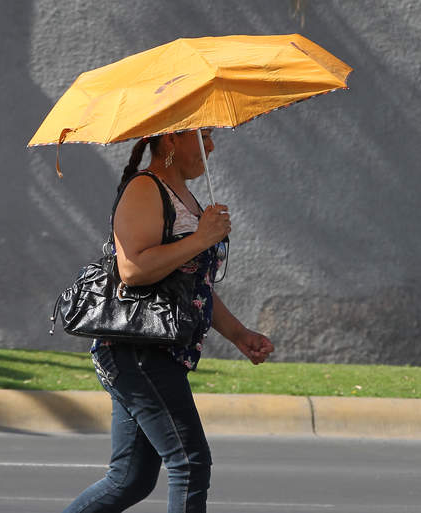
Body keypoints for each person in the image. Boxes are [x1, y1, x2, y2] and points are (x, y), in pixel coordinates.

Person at [61, 129, 274, 513]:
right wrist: (201, 238)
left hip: (157, 350)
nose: (211, 146)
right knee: (190, 462)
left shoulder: (186, 198)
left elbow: (192, 285)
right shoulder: (145, 189)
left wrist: (239, 334)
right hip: (137, 350)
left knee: (130, 479)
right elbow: (132, 268)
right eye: (204, 135)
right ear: (173, 140)